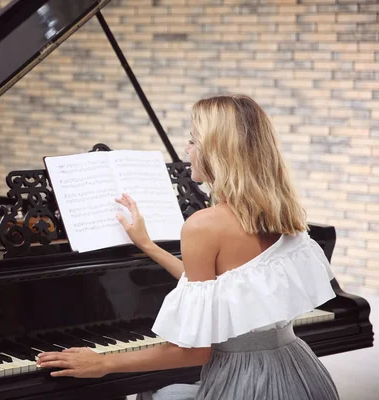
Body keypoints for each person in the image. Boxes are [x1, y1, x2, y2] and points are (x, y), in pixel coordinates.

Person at [36, 94, 339, 400]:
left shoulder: (203, 225)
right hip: (298, 370)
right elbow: (223, 290)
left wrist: (103, 363)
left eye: (193, 141)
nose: (186, 149)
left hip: (246, 382)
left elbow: (193, 352)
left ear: (216, 150)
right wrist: (147, 245)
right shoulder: (282, 212)